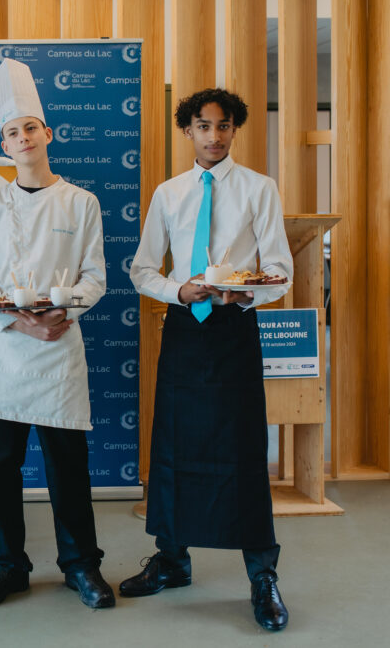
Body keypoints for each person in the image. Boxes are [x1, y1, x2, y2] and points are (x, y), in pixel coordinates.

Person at [125, 88, 293, 631]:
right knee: (174, 445)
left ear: (235, 130)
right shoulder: (169, 193)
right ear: (188, 131)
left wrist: (247, 292)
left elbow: (279, 269)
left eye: (223, 127)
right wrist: (179, 290)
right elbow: (144, 269)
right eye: (203, 126)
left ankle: (262, 573)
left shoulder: (258, 189)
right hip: (185, 329)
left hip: (234, 330)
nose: (214, 136)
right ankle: (173, 561)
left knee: (243, 450)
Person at [0, 58, 114, 609]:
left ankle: (80, 565)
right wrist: (17, 318)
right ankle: (8, 566)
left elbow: (95, 276)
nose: (22, 138)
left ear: (47, 134)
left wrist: (62, 312)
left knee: (68, 468)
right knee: (1, 469)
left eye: (29, 128)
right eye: (11, 131)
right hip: (3, 351)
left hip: (58, 348)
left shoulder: (81, 202)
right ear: (4, 144)